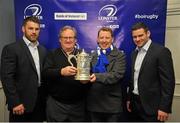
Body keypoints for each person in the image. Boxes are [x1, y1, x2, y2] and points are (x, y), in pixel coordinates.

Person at [0, 16, 47, 122]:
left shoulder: (43, 50)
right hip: (20, 104)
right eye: (30, 28)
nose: (34, 32)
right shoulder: (11, 49)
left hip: (39, 103)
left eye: (37, 29)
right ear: (23, 29)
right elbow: (7, 78)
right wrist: (15, 102)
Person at [127, 22, 175, 122]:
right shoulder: (134, 53)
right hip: (135, 105)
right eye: (134, 37)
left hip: (153, 108)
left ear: (148, 33)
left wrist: (164, 108)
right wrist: (129, 99)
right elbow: (133, 79)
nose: (137, 39)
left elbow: (168, 82)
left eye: (140, 35)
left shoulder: (161, 52)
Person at [42, 25, 90, 122]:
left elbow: (89, 75)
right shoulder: (52, 54)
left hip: (78, 106)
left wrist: (86, 80)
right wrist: (61, 72)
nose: (68, 40)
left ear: (75, 40)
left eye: (71, 37)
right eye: (65, 37)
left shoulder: (83, 55)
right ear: (60, 39)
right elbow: (45, 73)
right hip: (56, 104)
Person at [87, 27, 126, 122]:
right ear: (97, 39)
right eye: (101, 38)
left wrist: (96, 76)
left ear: (112, 39)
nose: (104, 41)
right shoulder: (92, 55)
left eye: (107, 38)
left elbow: (116, 75)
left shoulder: (119, 55)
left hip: (112, 105)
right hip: (94, 103)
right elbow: (87, 73)